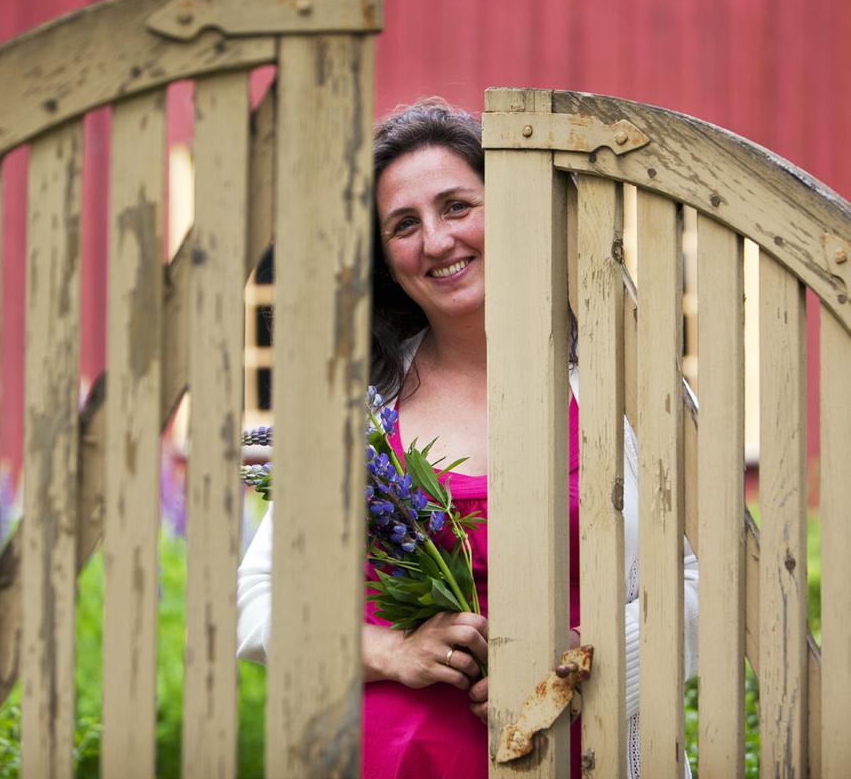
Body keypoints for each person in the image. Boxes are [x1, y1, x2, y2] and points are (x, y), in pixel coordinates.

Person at [236, 98, 699, 778]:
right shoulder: (357, 410)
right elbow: (259, 601)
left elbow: (705, 583)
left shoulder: (628, 387)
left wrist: (578, 664)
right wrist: (388, 652)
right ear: (386, 262)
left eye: (456, 206)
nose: (435, 241)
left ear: (511, 212)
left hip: (582, 752)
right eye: (403, 225)